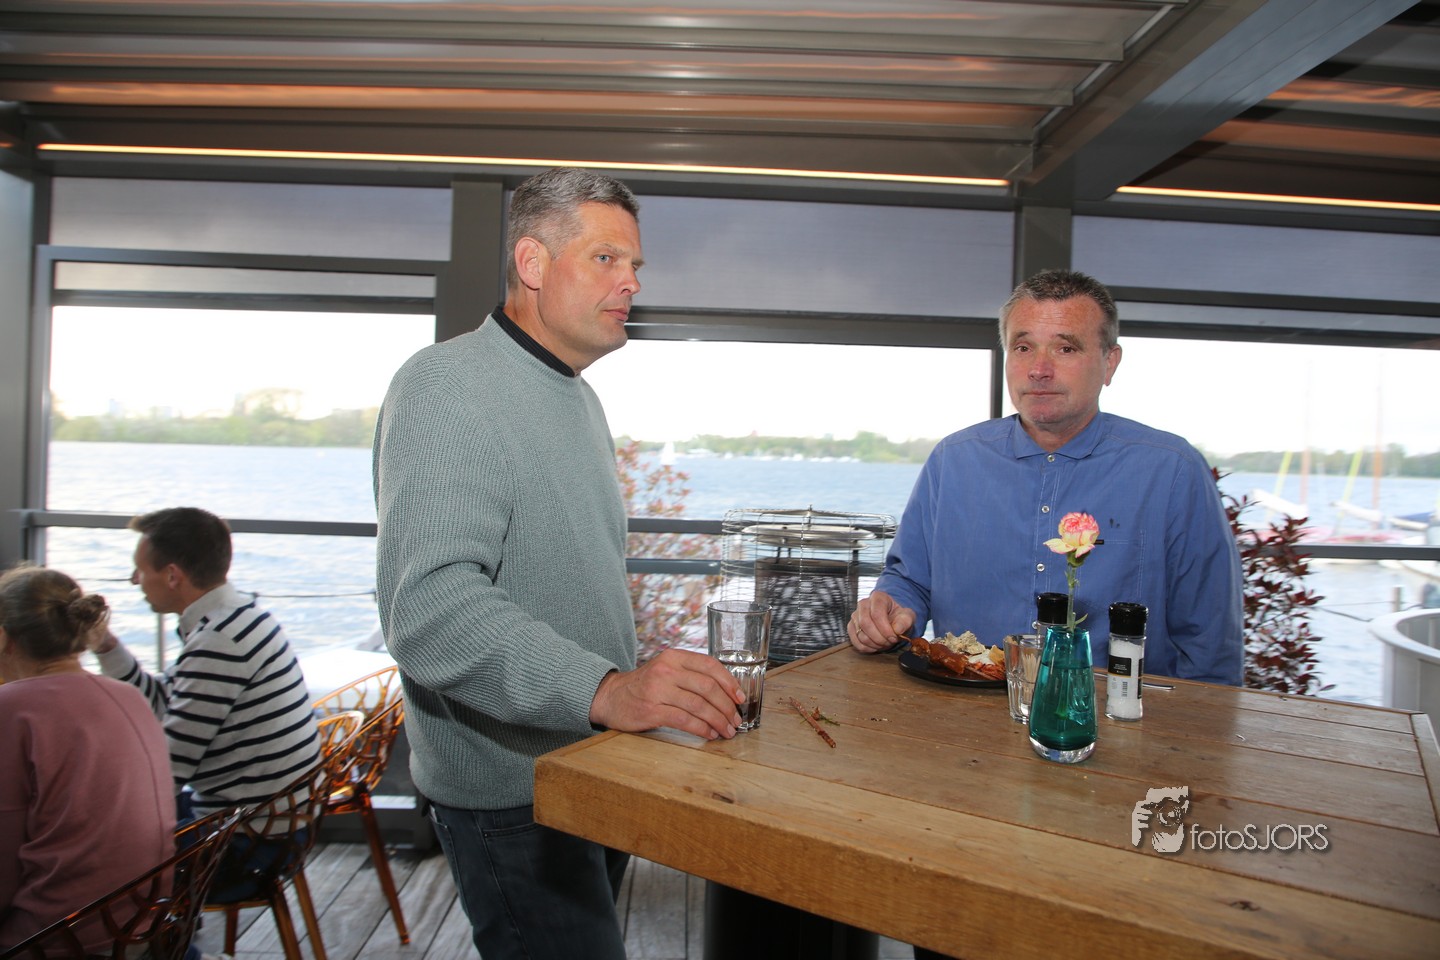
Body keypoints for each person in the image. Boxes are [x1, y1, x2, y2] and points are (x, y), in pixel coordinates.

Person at [373, 166, 744, 960]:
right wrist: (606, 688)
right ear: (533, 263)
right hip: (512, 794)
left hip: (585, 760)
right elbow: (432, 611)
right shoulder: (446, 387)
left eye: (635, 265)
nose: (631, 282)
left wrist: (633, 685)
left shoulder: (577, 395)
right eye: (607, 259)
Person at [849, 269, 1243, 686]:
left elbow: (1209, 640)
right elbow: (910, 581)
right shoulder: (952, 462)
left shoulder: (1172, 471)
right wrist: (891, 609)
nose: (1039, 369)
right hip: (960, 708)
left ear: (1109, 362)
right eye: (1023, 347)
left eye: (1065, 348)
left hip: (1115, 714)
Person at [88, 506, 320, 820]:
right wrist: (106, 647)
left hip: (243, 831)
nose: (134, 580)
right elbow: (163, 702)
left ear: (172, 576)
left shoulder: (219, 640)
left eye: (140, 570)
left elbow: (167, 768)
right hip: (271, 814)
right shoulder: (239, 616)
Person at [1, 564, 175, 951]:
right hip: (143, 923)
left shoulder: (12, 708)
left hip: (59, 936)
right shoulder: (129, 695)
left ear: (3, 637)